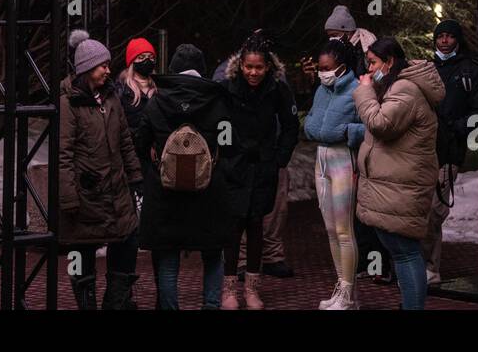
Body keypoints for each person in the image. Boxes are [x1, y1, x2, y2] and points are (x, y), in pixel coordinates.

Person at [133, 43, 235, 310]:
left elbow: (141, 142)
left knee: (168, 261)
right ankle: (211, 306)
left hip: (166, 195)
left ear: (175, 69)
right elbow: (229, 143)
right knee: (213, 256)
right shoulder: (218, 100)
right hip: (209, 193)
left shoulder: (158, 101)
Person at [352, 36, 444, 310]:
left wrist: (364, 92)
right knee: (401, 252)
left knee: (405, 254)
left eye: (373, 63)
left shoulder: (405, 89)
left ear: (390, 61)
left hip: (402, 186)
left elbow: (381, 124)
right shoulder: (399, 86)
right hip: (396, 184)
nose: (368, 70)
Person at [58, 30, 143, 310]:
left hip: (116, 192)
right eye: (102, 65)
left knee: (128, 242)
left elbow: (125, 142)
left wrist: (135, 179)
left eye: (108, 64)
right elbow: (63, 152)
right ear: (86, 69)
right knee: (82, 252)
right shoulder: (69, 102)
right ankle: (87, 304)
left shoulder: (111, 99)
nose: (108, 70)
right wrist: (69, 197)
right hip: (87, 196)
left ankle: (115, 304)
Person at [219, 32, 299, 309]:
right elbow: (216, 122)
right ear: (240, 65)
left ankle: (252, 289)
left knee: (256, 227)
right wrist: (226, 151)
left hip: (263, 166)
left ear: (268, 67)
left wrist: (279, 158)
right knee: (232, 228)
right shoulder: (227, 86)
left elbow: (290, 125)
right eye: (249, 67)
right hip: (234, 165)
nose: (253, 72)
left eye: (259, 67)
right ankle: (228, 289)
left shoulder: (277, 89)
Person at [303, 38, 364, 309]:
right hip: (321, 158)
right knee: (330, 229)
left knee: (343, 229)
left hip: (343, 158)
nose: (322, 72)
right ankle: (341, 286)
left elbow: (370, 125)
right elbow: (313, 120)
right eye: (320, 68)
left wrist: (348, 132)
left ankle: (349, 294)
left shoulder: (357, 90)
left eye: (327, 68)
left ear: (341, 67)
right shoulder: (321, 90)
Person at [425, 18, 478, 288]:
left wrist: (454, 129)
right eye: (441, 36)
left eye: (450, 36)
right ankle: (415, 266)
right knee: (417, 212)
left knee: (433, 213)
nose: (445, 40)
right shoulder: (425, 68)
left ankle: (429, 269)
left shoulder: (470, 70)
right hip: (419, 151)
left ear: (457, 40)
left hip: (448, 151)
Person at [117, 37, 158, 131]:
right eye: (141, 57)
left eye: (151, 57)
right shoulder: (122, 89)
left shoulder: (159, 88)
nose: (147, 61)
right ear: (132, 62)